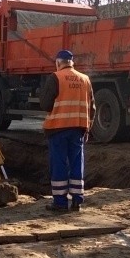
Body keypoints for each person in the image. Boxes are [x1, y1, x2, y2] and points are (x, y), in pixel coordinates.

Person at [39, 50, 95, 212]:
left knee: (59, 164)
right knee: (77, 163)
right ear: (72, 62)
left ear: (58, 62)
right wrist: (87, 129)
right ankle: (77, 201)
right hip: (78, 129)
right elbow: (92, 108)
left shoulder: (55, 77)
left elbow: (45, 105)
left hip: (58, 128)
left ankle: (60, 203)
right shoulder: (85, 79)